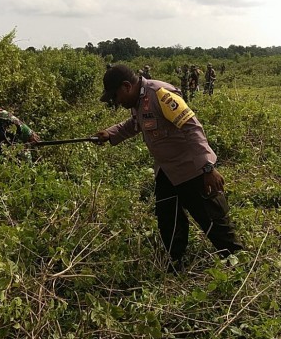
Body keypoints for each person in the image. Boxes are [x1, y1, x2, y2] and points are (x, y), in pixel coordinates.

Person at [94, 64, 243, 271]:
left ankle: (237, 261)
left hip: (191, 169)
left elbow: (192, 127)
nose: (117, 102)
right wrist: (110, 133)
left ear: (126, 86)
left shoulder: (161, 95)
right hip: (166, 171)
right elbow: (134, 124)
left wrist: (208, 168)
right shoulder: (138, 101)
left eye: (116, 96)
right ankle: (176, 263)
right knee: (169, 221)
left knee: (211, 220)